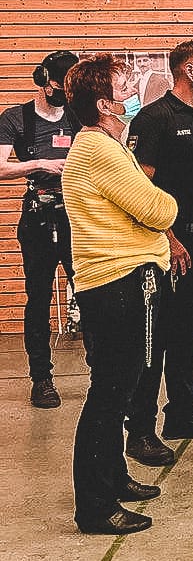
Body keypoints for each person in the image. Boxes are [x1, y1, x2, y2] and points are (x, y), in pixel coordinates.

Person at [62, 55, 179, 535]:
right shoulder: (100, 151)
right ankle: (94, 504)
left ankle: (113, 478)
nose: (134, 84)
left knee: (118, 388)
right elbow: (157, 206)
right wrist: (161, 207)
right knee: (109, 394)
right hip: (115, 283)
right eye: (123, 83)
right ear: (105, 103)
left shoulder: (106, 145)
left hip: (120, 279)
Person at [125, 39, 193, 467]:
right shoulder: (156, 116)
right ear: (186, 70)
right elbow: (143, 189)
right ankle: (139, 429)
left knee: (188, 332)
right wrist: (170, 238)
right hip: (169, 243)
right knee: (155, 338)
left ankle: (181, 412)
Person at [0, 51, 80, 408]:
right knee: (38, 299)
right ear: (44, 82)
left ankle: (101, 369)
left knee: (90, 293)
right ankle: (41, 377)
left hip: (76, 216)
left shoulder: (79, 117)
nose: (63, 93)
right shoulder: (16, 119)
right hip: (37, 217)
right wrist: (38, 163)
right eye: (59, 86)